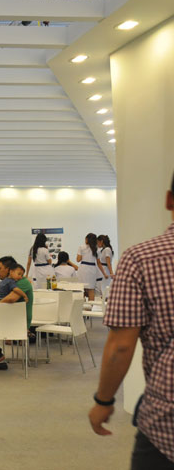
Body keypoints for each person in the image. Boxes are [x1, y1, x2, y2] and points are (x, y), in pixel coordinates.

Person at [88, 172, 174, 469]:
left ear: (168, 200)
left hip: (166, 421)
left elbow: (121, 346)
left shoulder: (142, 258)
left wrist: (104, 401)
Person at [77, 233, 106, 301]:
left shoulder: (81, 247)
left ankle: (83, 305)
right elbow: (99, 263)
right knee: (91, 289)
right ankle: (91, 306)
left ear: (86, 239)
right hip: (92, 269)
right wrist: (104, 273)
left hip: (83, 268)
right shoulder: (96, 249)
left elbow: (78, 260)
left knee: (82, 288)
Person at [96, 235, 115, 299]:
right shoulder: (103, 250)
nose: (97, 244)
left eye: (98, 242)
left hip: (105, 271)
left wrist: (111, 273)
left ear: (101, 241)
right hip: (103, 270)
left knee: (105, 290)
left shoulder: (107, 249)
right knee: (103, 289)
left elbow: (108, 262)